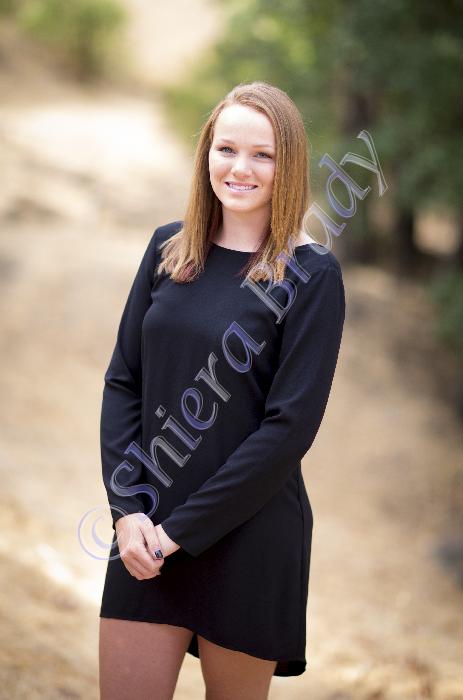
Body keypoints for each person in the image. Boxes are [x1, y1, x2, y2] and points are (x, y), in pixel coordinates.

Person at [98, 80, 346, 700]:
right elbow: (124, 380)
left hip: (249, 537)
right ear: (206, 153)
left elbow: (288, 430)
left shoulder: (312, 275)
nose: (240, 168)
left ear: (289, 167)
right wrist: (128, 512)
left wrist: (180, 531)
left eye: (263, 155)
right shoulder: (167, 248)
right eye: (226, 148)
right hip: (143, 532)